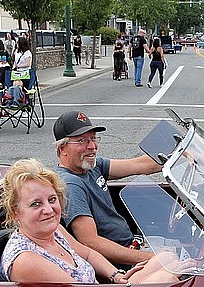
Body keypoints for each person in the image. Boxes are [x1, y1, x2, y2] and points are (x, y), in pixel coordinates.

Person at [0, 159, 182, 285]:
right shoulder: (26, 260)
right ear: (15, 213)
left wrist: (117, 276)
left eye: (52, 200)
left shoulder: (53, 230)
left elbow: (87, 254)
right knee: (167, 277)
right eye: (36, 204)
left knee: (168, 257)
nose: (48, 210)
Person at [53, 110, 163, 266]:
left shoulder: (91, 167)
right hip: (120, 262)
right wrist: (150, 258)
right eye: (81, 141)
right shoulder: (71, 185)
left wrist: (181, 155)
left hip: (133, 244)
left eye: (93, 138)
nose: (92, 146)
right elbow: (91, 242)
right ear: (62, 148)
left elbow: (138, 164)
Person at [5, 36, 32, 106]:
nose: (16, 44)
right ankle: (10, 100)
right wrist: (14, 67)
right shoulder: (16, 52)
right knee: (13, 86)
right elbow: (15, 62)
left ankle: (17, 101)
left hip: (25, 74)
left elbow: (28, 64)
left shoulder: (27, 53)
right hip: (17, 73)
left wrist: (18, 66)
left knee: (18, 86)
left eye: (17, 42)